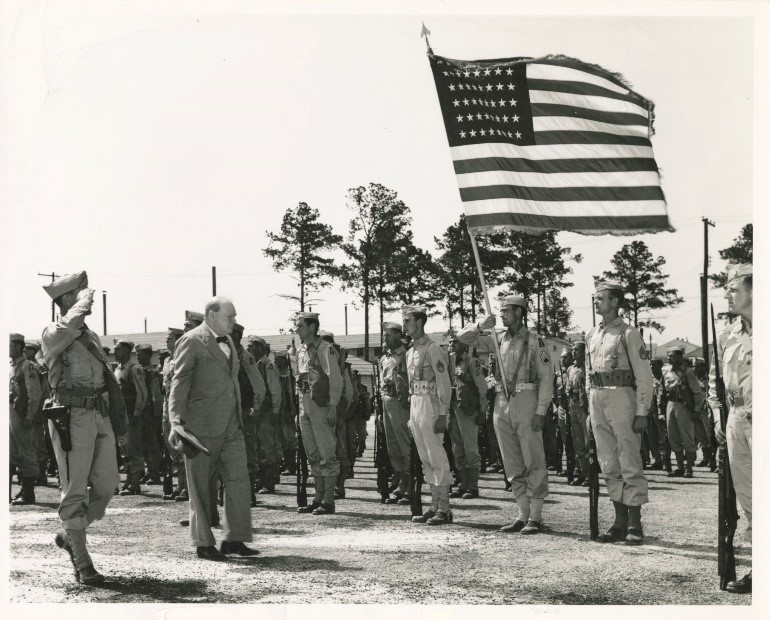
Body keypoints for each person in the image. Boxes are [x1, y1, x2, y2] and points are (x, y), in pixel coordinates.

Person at [41, 272, 127, 584]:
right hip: (71, 416)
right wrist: (84, 303)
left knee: (107, 484)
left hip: (98, 414)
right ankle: (82, 561)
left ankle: (69, 531)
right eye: (79, 292)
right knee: (75, 488)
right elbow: (65, 328)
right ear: (65, 299)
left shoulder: (89, 336)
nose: (85, 295)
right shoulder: (54, 332)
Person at [168, 296, 258, 559]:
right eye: (230, 317)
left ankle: (235, 538)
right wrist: (175, 421)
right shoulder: (192, 340)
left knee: (238, 481)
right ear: (211, 315)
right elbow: (179, 382)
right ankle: (203, 543)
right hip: (200, 428)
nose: (234, 321)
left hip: (231, 424)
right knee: (199, 485)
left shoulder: (229, 340)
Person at [458, 295, 553, 534]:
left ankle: (537, 515)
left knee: (533, 458)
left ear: (520, 313)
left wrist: (541, 410)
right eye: (500, 311)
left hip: (526, 398)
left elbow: (546, 378)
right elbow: (462, 338)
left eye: (506, 311)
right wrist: (481, 325)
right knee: (511, 461)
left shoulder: (535, 341)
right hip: (502, 400)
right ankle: (522, 513)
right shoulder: (496, 338)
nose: (502, 315)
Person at [586, 279, 653, 545]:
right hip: (597, 399)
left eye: (600, 298)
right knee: (608, 461)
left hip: (622, 398)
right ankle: (619, 520)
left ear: (614, 302)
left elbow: (644, 376)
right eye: (595, 298)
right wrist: (588, 409)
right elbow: (589, 375)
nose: (596, 302)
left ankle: (634, 523)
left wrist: (642, 410)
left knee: (629, 458)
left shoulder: (628, 333)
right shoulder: (592, 335)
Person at [709, 263, 753, 594]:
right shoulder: (727, 334)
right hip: (737, 417)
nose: (727, 293)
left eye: (734, 288)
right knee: (749, 495)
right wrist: (716, 414)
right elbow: (715, 381)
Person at [402, 305, 454, 525]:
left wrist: (443, 413)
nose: (405, 325)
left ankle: (445, 508)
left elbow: (444, 382)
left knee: (437, 456)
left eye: (408, 321)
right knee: (425, 458)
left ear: (420, 322)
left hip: (431, 405)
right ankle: (434, 505)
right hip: (416, 403)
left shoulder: (433, 349)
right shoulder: (410, 351)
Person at [293, 312, 342, 515]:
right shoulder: (301, 350)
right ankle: (318, 496)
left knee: (326, 452)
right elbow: (300, 379)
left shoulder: (324, 349)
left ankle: (329, 499)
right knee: (312, 453)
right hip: (305, 404)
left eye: (300, 326)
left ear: (312, 327)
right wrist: (299, 409)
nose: (297, 329)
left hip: (321, 405)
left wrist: (332, 406)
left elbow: (335, 379)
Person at [447, 333, 487, 499]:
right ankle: (463, 484)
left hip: (468, 410)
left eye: (455, 342)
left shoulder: (472, 362)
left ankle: (473, 486)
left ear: (464, 344)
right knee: (458, 448)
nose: (451, 345)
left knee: (471, 447)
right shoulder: (451, 362)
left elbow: (482, 388)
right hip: (454, 409)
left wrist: (483, 411)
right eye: (449, 343)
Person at [232, 325, 266, 506]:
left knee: (248, 451)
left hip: (244, 410)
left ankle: (250, 492)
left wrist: (256, 407)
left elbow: (258, 385)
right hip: (227, 411)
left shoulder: (246, 357)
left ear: (236, 335)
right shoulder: (223, 354)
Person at [379, 322, 413, 504]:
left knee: (404, 442)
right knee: (392, 445)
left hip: (401, 402)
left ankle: (409, 485)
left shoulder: (406, 355)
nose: (385, 339)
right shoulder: (385, 357)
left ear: (399, 336)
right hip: (387, 400)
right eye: (385, 336)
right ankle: (399, 481)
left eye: (389, 335)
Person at [661, 346, 705, 478]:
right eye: (668, 355)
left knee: (687, 437)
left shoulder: (688, 372)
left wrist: (697, 409)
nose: (669, 357)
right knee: (672, 436)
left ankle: (689, 468)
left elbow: (698, 393)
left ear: (679, 357)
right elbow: (662, 391)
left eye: (672, 355)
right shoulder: (666, 371)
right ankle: (680, 467)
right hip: (670, 404)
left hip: (684, 406)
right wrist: (661, 410)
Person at [9, 333, 42, 505]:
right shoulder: (11, 366)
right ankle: (20, 489)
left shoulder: (27, 367)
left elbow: (34, 394)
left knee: (26, 452)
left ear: (17, 347)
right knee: (12, 453)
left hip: (22, 415)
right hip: (10, 413)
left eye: (9, 345)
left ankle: (28, 493)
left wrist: (30, 416)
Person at [247, 335, 282, 495]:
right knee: (258, 447)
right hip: (257, 413)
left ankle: (269, 482)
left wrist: (275, 412)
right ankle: (261, 481)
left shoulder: (268, 366)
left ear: (260, 348)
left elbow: (275, 391)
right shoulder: (254, 365)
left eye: (251, 346)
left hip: (267, 413)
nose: (248, 349)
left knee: (268, 447)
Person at [114, 340, 148, 495]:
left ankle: (135, 483)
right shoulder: (117, 370)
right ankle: (128, 479)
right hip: (120, 416)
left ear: (127, 351)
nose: (115, 353)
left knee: (133, 448)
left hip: (131, 415)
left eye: (118, 350)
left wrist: (137, 413)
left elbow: (142, 393)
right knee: (124, 448)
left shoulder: (135, 369)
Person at [160, 327, 187, 501]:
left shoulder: (183, 356)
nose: (166, 341)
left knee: (183, 445)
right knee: (171, 447)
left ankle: (186, 487)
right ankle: (179, 485)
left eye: (170, 338)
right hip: (167, 404)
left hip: (179, 406)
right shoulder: (167, 360)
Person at [23, 341, 51, 486]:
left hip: (37, 409)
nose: (25, 352)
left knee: (39, 442)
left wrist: (40, 410)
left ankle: (41, 474)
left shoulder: (39, 367)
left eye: (28, 350)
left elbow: (45, 391)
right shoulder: (22, 367)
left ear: (34, 351)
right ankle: (29, 473)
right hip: (24, 411)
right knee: (27, 443)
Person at [136, 344, 164, 485]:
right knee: (143, 444)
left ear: (148, 355)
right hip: (142, 411)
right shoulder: (138, 371)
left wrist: (156, 412)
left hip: (152, 411)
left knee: (152, 443)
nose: (138, 357)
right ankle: (149, 471)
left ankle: (155, 473)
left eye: (140, 354)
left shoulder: (155, 372)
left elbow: (157, 393)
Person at [567, 341, 590, 486]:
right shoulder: (571, 369)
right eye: (573, 350)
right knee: (578, 442)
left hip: (585, 406)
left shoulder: (588, 368)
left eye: (577, 350)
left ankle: (589, 474)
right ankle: (582, 472)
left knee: (587, 441)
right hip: (573, 405)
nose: (574, 352)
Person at [273, 350, 298, 476]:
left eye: (279, 359)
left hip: (287, 409)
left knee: (289, 439)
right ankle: (284, 463)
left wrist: (291, 410)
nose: (276, 361)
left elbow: (291, 393)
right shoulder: (276, 372)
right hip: (279, 409)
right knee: (280, 439)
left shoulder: (289, 375)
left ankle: (291, 465)